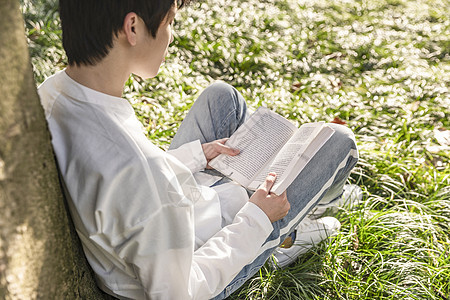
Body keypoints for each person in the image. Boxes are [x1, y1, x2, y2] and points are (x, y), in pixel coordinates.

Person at [37, 0, 359, 299]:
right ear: (132, 27)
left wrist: (195, 156)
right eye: (169, 23)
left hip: (177, 214)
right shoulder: (140, 171)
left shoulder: (51, 94)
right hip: (203, 257)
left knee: (223, 98)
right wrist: (258, 219)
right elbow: (182, 291)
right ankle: (286, 233)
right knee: (339, 143)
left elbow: (128, 193)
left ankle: (293, 213)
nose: (171, 36)